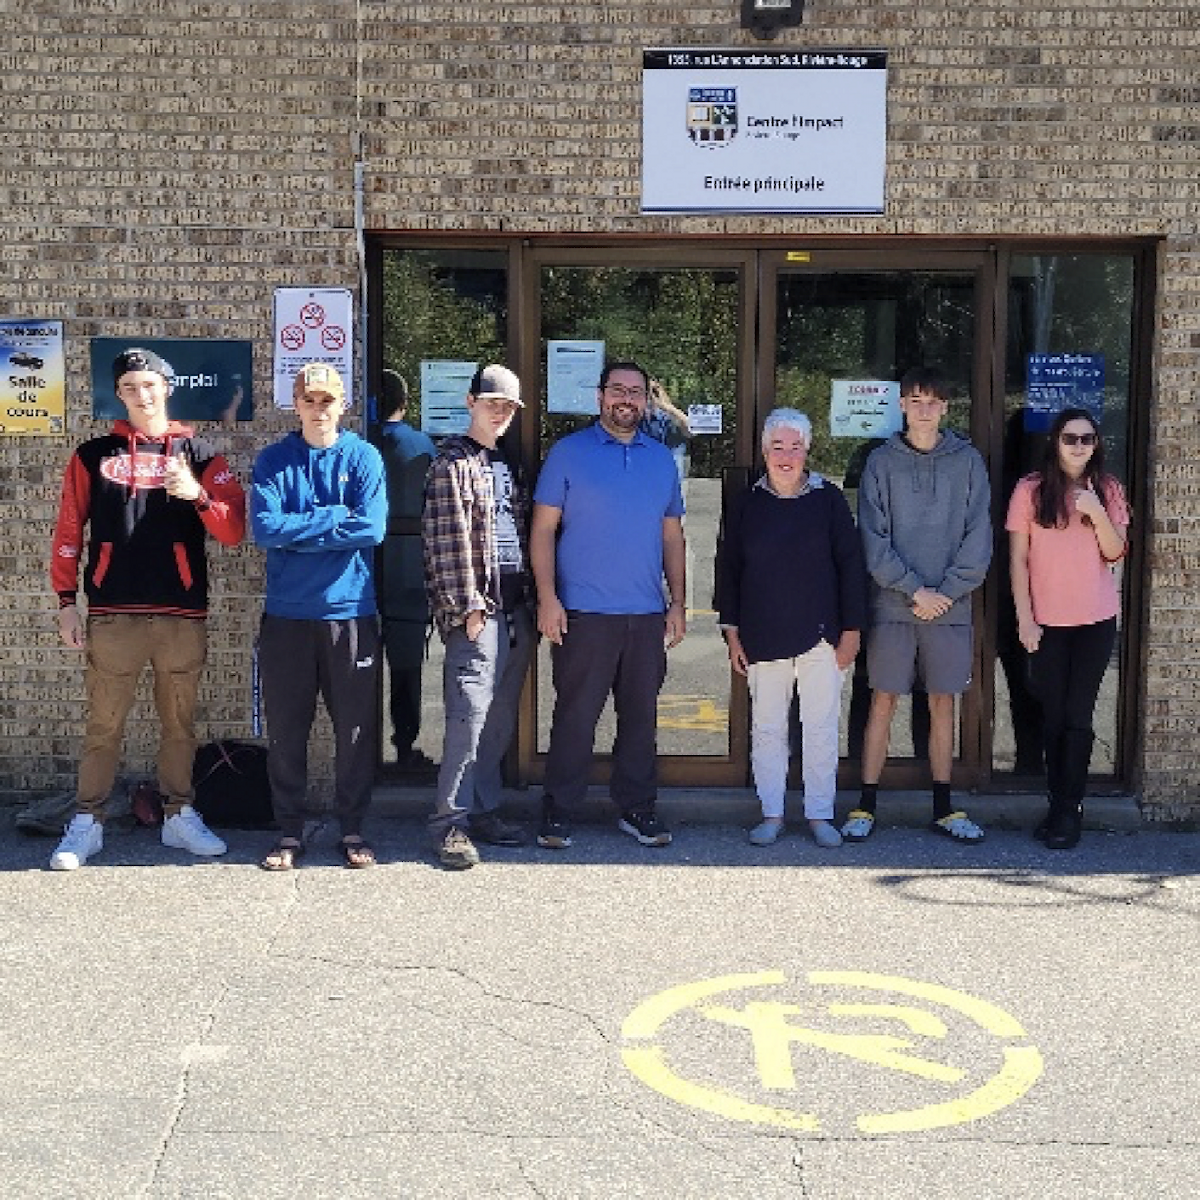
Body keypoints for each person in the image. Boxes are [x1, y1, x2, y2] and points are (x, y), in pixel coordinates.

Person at [48, 347, 246, 870]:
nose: (142, 393)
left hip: (181, 613)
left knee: (179, 724)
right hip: (112, 613)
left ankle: (179, 817)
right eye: (131, 386)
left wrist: (198, 496)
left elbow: (233, 531)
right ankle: (86, 823)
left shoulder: (201, 454)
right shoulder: (90, 456)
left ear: (168, 387)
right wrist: (67, 602)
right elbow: (69, 530)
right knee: (103, 723)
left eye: (150, 384)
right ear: (119, 393)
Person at [531, 360, 686, 850]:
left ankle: (637, 809)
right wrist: (548, 598)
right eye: (617, 390)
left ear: (647, 400)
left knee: (640, 719)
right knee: (576, 716)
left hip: (644, 613)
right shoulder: (568, 454)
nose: (626, 399)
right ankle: (559, 810)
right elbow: (542, 530)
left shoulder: (660, 460)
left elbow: (672, 536)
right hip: (582, 612)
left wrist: (678, 602)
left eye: (636, 392)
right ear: (599, 397)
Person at [844, 366, 992, 843]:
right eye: (916, 399)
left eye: (933, 400)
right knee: (882, 699)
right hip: (894, 604)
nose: (924, 408)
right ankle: (866, 804)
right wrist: (914, 590)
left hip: (951, 606)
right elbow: (872, 539)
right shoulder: (880, 462)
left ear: (946, 407)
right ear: (902, 405)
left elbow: (979, 535)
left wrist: (946, 591)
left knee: (942, 702)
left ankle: (945, 807)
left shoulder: (967, 461)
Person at [251, 363, 387, 871]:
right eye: (310, 400)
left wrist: (300, 528)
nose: (319, 408)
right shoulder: (274, 460)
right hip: (287, 615)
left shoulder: (364, 457)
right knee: (287, 730)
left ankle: (353, 827)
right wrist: (335, 517)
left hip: (351, 612)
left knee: (354, 730)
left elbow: (371, 528)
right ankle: (289, 831)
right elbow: (265, 529)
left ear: (343, 403)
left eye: (327, 400)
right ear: (296, 403)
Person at [717, 409, 867, 848]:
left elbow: (851, 567)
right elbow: (728, 569)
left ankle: (820, 815)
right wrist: (732, 633)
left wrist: (852, 631)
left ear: (807, 450)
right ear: (765, 451)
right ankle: (772, 813)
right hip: (762, 634)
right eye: (778, 447)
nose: (786, 456)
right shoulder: (746, 503)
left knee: (820, 727)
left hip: (823, 636)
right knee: (767, 729)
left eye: (795, 446)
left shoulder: (829, 500)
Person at [423, 365, 536, 869]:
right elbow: (444, 544)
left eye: (508, 407)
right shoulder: (450, 464)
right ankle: (449, 824)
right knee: (467, 720)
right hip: (479, 613)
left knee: (497, 721)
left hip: (516, 611)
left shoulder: (504, 464)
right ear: (470, 402)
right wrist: (467, 607)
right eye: (492, 402)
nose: (500, 412)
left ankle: (484, 810)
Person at [1006, 406, 1128, 849]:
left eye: (1087, 439)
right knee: (1053, 716)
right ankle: (1058, 803)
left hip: (1095, 621)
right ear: (1055, 442)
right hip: (1047, 623)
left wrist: (1097, 512)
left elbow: (1116, 552)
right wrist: (1025, 617)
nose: (1079, 446)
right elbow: (1018, 561)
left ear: (1096, 445)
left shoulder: (1108, 490)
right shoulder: (1030, 491)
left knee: (1079, 716)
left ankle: (1069, 811)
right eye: (1070, 438)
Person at [376, 368, 438, 775]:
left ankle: (363, 752)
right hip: (412, 568)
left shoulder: (362, 443)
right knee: (405, 668)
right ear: (405, 402)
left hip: (366, 569)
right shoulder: (422, 446)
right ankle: (404, 746)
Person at [640, 379, 691, 481]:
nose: (650, 396)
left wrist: (668, 407)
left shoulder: (670, 415)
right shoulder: (638, 418)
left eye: (653, 391)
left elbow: (691, 430)